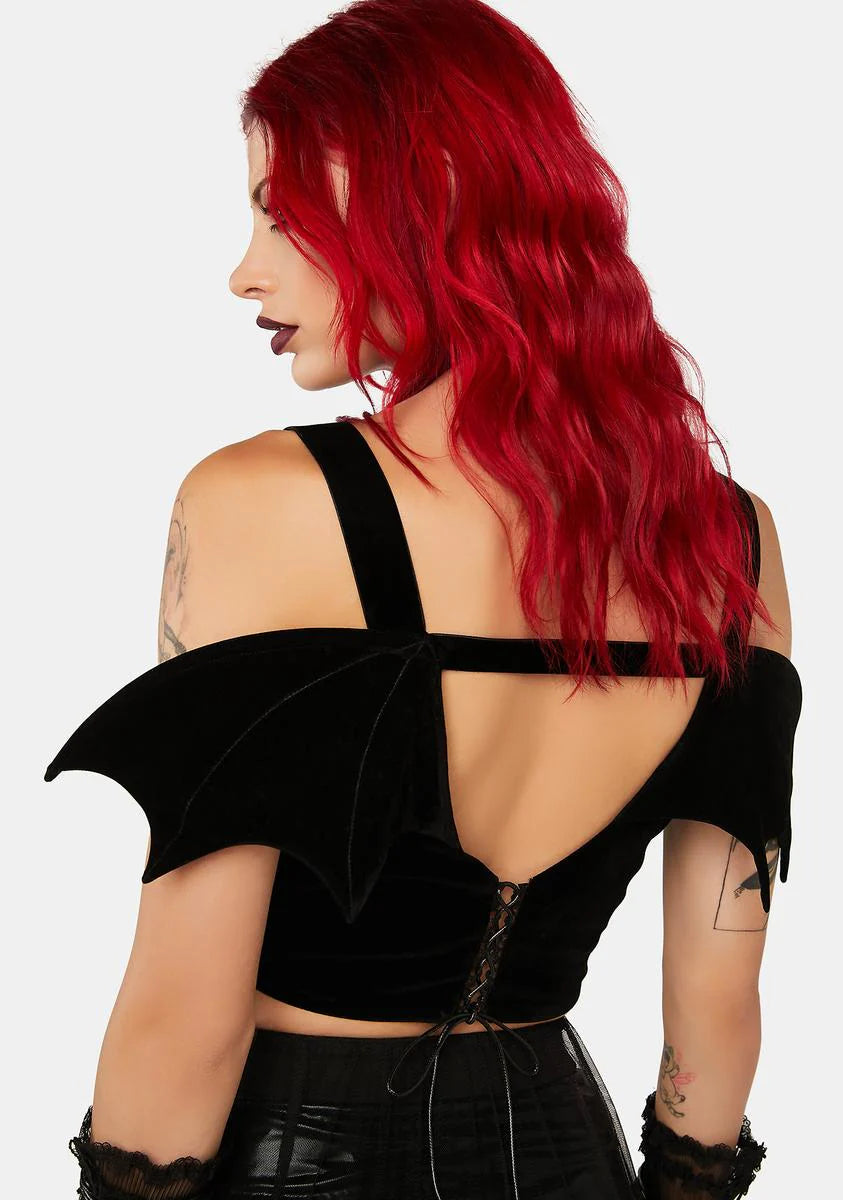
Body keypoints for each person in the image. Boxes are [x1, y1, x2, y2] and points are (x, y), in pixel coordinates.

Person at [44, 2, 802, 1197]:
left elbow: (187, 1014)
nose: (244, 270)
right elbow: (718, 1000)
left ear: (431, 202)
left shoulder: (262, 503)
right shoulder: (724, 539)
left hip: (299, 1158)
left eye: (283, 213)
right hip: (569, 1154)